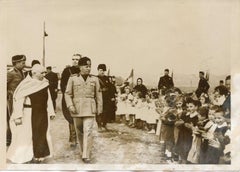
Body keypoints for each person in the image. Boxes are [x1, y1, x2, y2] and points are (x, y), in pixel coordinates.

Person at [7, 64, 55, 163]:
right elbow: (19, 101)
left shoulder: (45, 83)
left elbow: (48, 99)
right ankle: (24, 157)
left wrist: (51, 112)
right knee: (27, 136)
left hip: (42, 113)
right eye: (42, 73)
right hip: (28, 113)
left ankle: (38, 156)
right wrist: (18, 116)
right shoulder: (26, 84)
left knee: (42, 134)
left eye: (45, 72)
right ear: (34, 73)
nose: (44, 74)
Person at [65, 57, 103, 163]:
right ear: (80, 67)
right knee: (80, 132)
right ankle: (83, 151)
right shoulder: (72, 78)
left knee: (88, 131)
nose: (89, 68)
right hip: (76, 109)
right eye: (86, 66)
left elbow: (99, 94)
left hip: (90, 109)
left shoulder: (94, 79)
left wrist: (99, 108)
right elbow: (67, 94)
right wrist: (70, 105)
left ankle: (86, 155)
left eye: (90, 66)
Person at [60, 53, 81, 147]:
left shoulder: (82, 70)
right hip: (69, 97)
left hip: (80, 98)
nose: (75, 61)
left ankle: (79, 137)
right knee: (70, 118)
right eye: (73, 59)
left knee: (80, 117)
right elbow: (62, 85)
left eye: (77, 59)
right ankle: (73, 138)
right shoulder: (66, 71)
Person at [7, 55, 26, 146]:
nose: (24, 64)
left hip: (19, 99)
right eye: (23, 63)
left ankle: (16, 138)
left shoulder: (22, 72)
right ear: (16, 63)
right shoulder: (10, 73)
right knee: (12, 118)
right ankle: (9, 139)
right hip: (12, 100)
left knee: (19, 117)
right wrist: (9, 94)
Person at [96, 64, 111, 131]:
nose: (102, 72)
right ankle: (99, 126)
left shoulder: (107, 78)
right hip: (99, 98)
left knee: (106, 112)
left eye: (103, 70)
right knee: (99, 112)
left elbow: (110, 87)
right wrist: (101, 90)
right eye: (101, 70)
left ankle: (104, 125)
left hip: (106, 98)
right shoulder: (95, 78)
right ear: (98, 70)